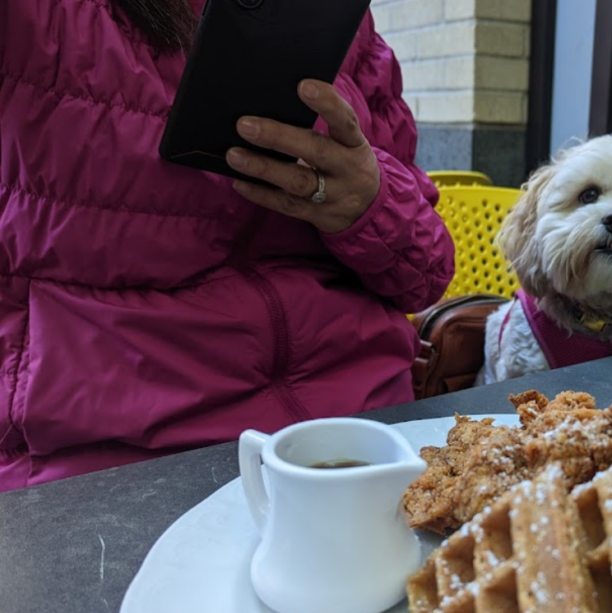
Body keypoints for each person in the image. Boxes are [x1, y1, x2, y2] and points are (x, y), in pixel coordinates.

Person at [0, 0, 455, 491]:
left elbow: (426, 274)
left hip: (374, 433)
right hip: (121, 467)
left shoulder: (348, 23)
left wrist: (371, 202)